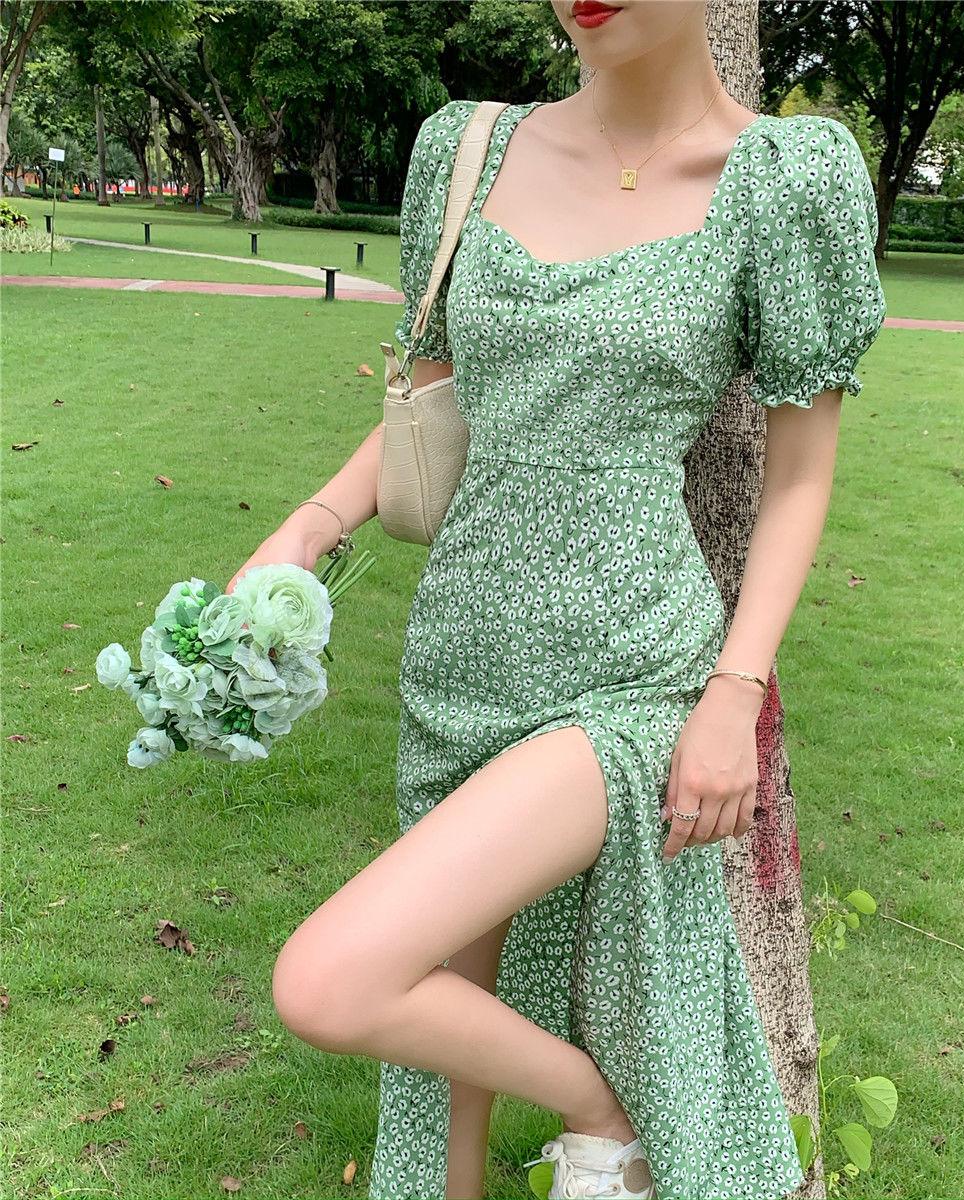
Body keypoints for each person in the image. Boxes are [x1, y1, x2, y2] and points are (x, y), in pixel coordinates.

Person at [226, 2, 886, 1197]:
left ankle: (600, 1108)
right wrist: (306, 529)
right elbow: (434, 404)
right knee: (436, 1080)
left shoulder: (782, 180)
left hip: (631, 674)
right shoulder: (466, 151)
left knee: (332, 978)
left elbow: (799, 477)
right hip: (461, 658)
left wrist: (735, 691)